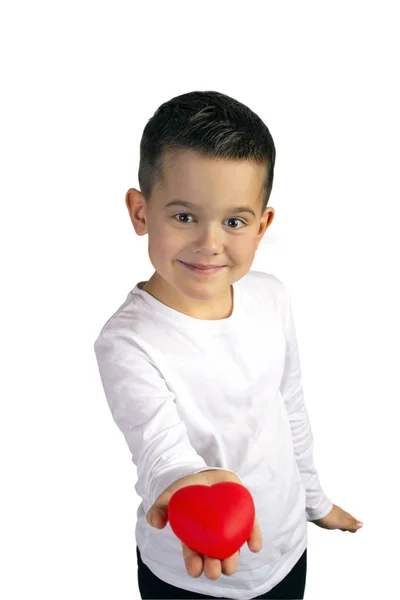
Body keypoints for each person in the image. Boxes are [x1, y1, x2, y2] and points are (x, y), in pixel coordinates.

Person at [93, 90, 363, 600]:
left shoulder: (271, 297)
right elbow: (158, 445)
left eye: (234, 221)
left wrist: (314, 501)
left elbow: (290, 407)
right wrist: (189, 481)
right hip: (186, 569)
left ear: (262, 226)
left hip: (285, 549)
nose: (210, 241)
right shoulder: (127, 341)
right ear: (139, 211)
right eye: (184, 216)